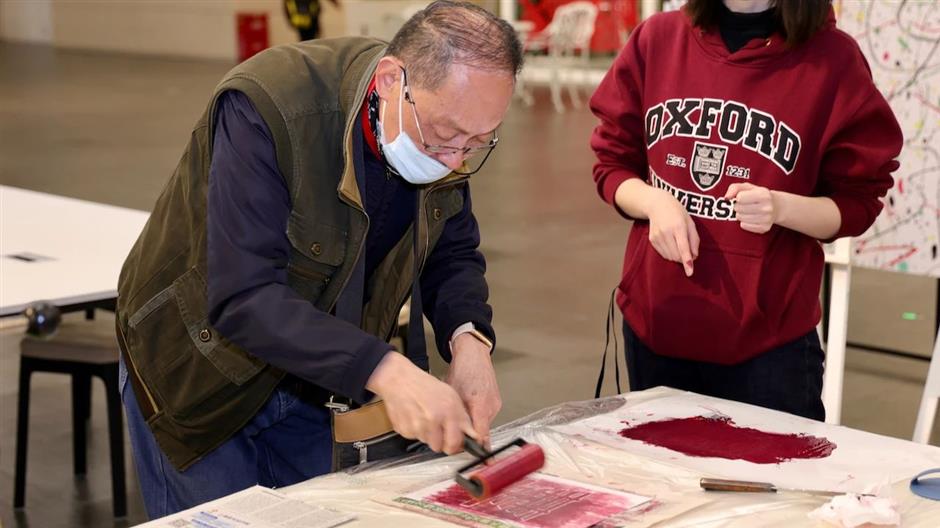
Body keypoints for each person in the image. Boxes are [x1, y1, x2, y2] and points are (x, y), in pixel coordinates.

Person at [116, 1, 521, 518]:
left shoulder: (447, 135)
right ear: (391, 80)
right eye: (444, 137)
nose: (456, 160)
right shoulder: (271, 105)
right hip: (200, 371)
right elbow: (243, 296)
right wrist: (387, 371)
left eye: (479, 142)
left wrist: (470, 343)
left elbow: (452, 246)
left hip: (317, 372)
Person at [590, 0, 902, 420]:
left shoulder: (833, 60)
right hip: (656, 329)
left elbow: (859, 201)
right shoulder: (658, 38)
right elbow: (611, 164)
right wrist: (654, 202)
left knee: (776, 484)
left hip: (768, 350)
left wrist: (781, 207)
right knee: (663, 482)